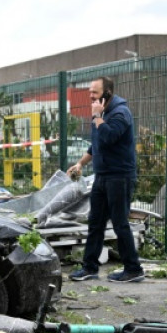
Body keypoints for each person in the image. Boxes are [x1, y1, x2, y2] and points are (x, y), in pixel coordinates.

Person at [66, 76, 144, 283]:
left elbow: (109, 136)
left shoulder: (120, 113)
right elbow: (97, 144)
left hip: (119, 176)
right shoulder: (100, 114)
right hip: (102, 176)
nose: (90, 96)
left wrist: (98, 117)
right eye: (90, 92)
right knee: (95, 222)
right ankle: (89, 267)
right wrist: (81, 164)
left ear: (107, 93)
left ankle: (133, 269)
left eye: (95, 92)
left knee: (120, 223)